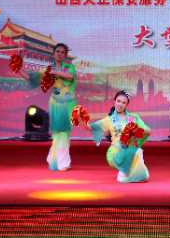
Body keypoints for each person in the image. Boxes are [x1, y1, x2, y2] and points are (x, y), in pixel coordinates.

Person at [21, 42, 77, 170]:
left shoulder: (69, 67)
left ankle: (58, 160)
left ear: (65, 55)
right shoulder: (48, 69)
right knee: (57, 133)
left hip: (68, 102)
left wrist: (54, 72)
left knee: (65, 132)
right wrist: (18, 70)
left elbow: (70, 77)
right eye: (58, 51)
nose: (60, 54)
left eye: (63, 52)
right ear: (53, 53)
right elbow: (32, 78)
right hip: (55, 103)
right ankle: (59, 161)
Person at [88, 90, 151, 183]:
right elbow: (91, 127)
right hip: (115, 152)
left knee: (142, 171)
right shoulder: (109, 120)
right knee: (130, 153)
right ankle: (125, 171)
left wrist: (135, 130)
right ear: (114, 101)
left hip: (130, 148)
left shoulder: (134, 118)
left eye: (123, 102)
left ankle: (129, 172)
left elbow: (148, 131)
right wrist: (80, 120)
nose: (120, 104)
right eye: (118, 101)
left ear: (127, 105)